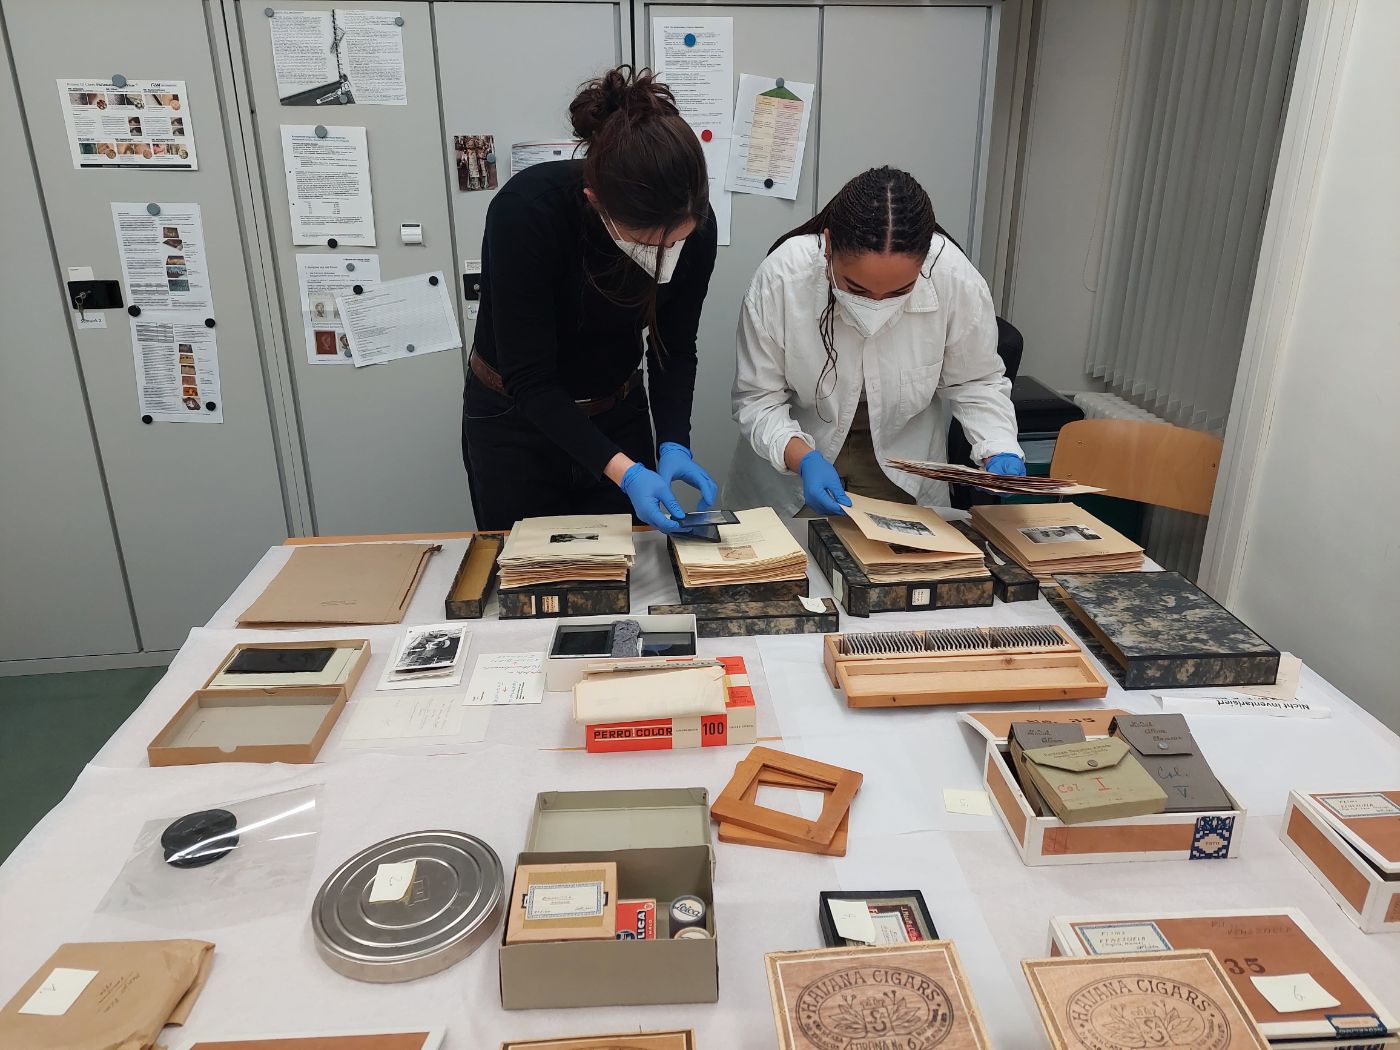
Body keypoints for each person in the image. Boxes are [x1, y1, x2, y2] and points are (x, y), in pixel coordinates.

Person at [463, 66, 720, 532]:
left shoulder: (695, 225)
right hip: (515, 421)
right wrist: (627, 473)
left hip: (615, 410)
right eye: (648, 243)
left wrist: (673, 441)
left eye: (677, 241)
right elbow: (531, 379)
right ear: (596, 200)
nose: (667, 255)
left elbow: (674, 347)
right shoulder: (527, 213)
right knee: (530, 565)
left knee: (636, 564)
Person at [726, 166, 1025, 516]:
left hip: (900, 463)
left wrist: (998, 445)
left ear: (925, 260)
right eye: (856, 288)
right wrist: (803, 459)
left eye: (899, 292)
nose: (876, 306)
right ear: (828, 247)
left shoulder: (953, 278)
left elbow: (975, 382)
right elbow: (758, 398)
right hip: (794, 453)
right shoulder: (782, 279)